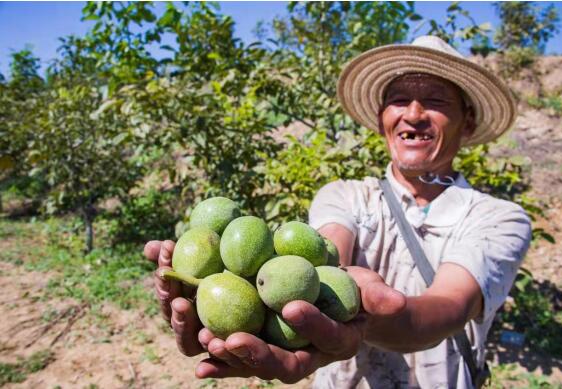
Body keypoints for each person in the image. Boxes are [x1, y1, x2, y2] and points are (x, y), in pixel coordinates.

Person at [144, 36, 532, 388]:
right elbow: (324, 255)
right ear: (382, 119)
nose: (413, 114)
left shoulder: (499, 218)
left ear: (468, 122)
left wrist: (363, 317)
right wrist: (308, 305)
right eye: (399, 100)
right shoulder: (345, 195)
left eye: (435, 100)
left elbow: (447, 309)